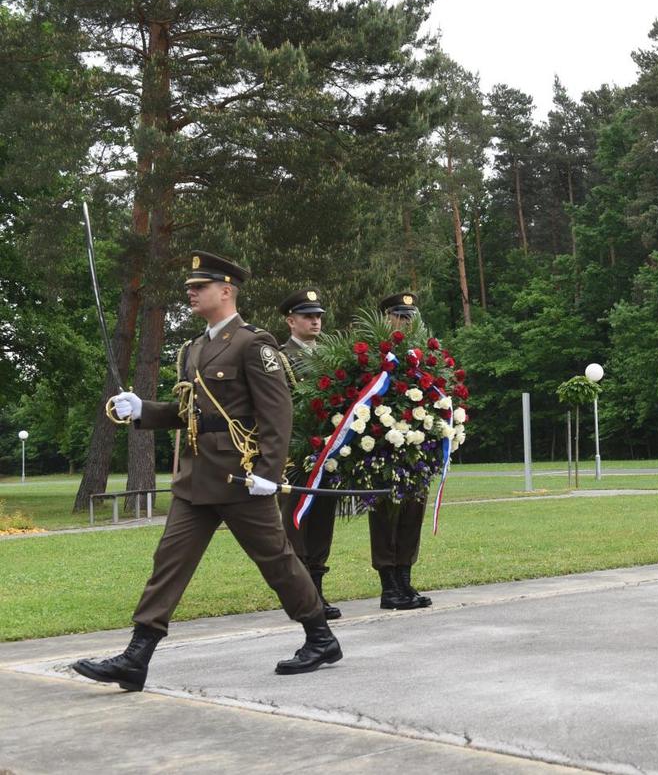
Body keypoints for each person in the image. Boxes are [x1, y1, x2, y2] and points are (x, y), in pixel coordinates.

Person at [72, 253, 340, 692]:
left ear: (227, 290)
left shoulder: (254, 344)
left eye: (200, 286)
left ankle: (320, 636)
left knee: (276, 561)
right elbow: (190, 414)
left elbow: (278, 415)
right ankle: (136, 657)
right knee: (168, 564)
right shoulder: (194, 348)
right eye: (190, 288)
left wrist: (270, 472)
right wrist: (143, 410)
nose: (191, 293)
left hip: (241, 478)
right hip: (197, 479)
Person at [277, 288, 341, 620]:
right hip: (296, 451)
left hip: (327, 449)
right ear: (291, 321)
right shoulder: (280, 357)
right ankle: (301, 597)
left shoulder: (329, 354)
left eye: (318, 316)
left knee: (321, 521)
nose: (315, 321)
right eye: (307, 316)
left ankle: (317, 593)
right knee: (296, 522)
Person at [366, 291, 432, 610]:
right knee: (385, 516)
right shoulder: (375, 356)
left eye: (410, 317)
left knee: (412, 514)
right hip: (382, 448)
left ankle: (405, 581)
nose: (406, 322)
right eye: (399, 316)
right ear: (386, 318)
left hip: (417, 448)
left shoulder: (421, 356)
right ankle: (388, 586)